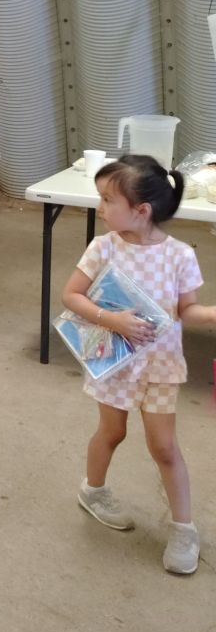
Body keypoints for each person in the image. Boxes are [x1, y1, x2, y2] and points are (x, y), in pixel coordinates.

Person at [61, 155, 216, 575]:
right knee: (111, 432)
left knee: (164, 447)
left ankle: (184, 528)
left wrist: (212, 313)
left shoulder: (179, 255)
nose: (100, 207)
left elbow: (189, 310)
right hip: (115, 362)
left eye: (107, 200)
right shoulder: (103, 247)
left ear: (141, 210)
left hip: (161, 366)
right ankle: (92, 491)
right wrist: (110, 319)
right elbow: (71, 295)